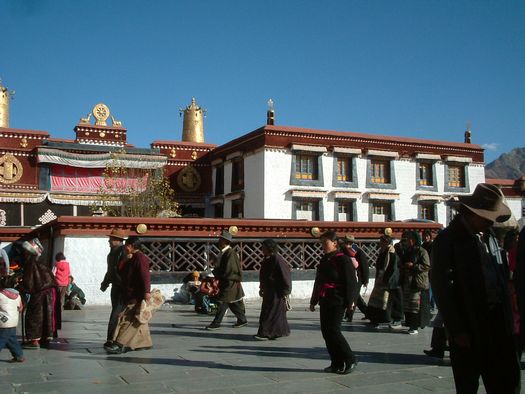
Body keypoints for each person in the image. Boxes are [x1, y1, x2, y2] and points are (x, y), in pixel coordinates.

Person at [431, 183, 520, 393]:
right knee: (468, 382)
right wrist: (457, 329)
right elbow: (442, 287)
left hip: (498, 322)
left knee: (505, 381)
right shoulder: (447, 241)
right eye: (487, 216)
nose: (491, 221)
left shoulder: (489, 236)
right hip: (469, 323)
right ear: (471, 213)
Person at [309, 230, 360, 375]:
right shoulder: (324, 260)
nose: (323, 246)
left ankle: (350, 358)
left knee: (334, 330)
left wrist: (351, 301)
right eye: (322, 243)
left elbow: (351, 282)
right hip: (325, 299)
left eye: (325, 243)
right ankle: (336, 362)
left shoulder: (343, 259)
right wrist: (314, 300)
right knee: (326, 332)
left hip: (338, 299)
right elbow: (319, 281)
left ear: (335, 243)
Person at [105, 236, 152, 354]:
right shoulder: (131, 258)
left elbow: (145, 276)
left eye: (127, 245)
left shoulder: (140, 259)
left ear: (131, 246)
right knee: (139, 319)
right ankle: (144, 342)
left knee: (128, 319)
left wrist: (146, 292)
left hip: (136, 294)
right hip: (128, 293)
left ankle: (119, 343)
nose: (125, 247)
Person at [18, 239, 60, 349]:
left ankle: (34, 341)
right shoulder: (38, 264)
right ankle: (44, 337)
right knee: (45, 315)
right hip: (49, 291)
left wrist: (19, 286)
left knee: (34, 315)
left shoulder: (30, 264)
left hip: (42, 292)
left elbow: (28, 283)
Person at [206, 230, 247, 330]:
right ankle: (242, 319)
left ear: (225, 241)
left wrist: (218, 274)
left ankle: (216, 323)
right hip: (227, 281)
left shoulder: (230, 253)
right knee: (232, 302)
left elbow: (230, 270)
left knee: (222, 302)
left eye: (220, 239)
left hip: (230, 282)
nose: (219, 241)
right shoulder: (224, 253)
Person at [255, 239, 292, 340]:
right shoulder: (267, 259)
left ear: (269, 248)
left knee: (271, 313)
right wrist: (262, 287)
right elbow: (264, 275)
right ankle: (279, 331)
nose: (262, 249)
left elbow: (285, 275)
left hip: (276, 291)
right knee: (270, 312)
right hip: (269, 291)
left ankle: (266, 333)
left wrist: (286, 291)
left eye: (264, 247)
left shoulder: (277, 259)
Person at [100, 228, 127, 348]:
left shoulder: (124, 252)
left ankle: (112, 339)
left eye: (111, 239)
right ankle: (115, 338)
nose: (109, 241)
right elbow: (110, 271)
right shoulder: (111, 254)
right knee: (117, 312)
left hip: (124, 288)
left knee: (117, 313)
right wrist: (105, 283)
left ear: (118, 240)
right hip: (115, 287)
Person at [366, 234, 400, 326]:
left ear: (386, 242)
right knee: (376, 300)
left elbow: (391, 267)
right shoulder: (383, 250)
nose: (380, 243)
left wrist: (386, 278)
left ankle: (383, 319)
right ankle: (375, 319)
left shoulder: (391, 252)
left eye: (381, 241)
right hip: (380, 277)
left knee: (383, 301)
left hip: (386, 279)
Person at [400, 231, 430, 334]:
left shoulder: (422, 251)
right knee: (408, 305)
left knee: (415, 305)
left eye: (410, 239)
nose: (408, 241)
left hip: (417, 281)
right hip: (408, 281)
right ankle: (409, 324)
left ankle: (415, 326)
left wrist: (413, 266)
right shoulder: (408, 250)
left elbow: (426, 266)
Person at [341, 235, 369, 322]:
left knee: (353, 296)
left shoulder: (357, 251)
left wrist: (365, 280)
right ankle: (369, 313)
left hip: (357, 277)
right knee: (356, 297)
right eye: (346, 242)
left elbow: (364, 266)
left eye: (348, 242)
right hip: (348, 277)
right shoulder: (343, 251)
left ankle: (348, 316)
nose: (346, 244)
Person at [0, 285, 25, 362]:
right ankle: (19, 356)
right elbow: (20, 308)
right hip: (13, 321)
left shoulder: (1, 295)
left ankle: (19, 356)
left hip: (3, 322)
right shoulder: (17, 296)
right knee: (12, 340)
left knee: (1, 340)